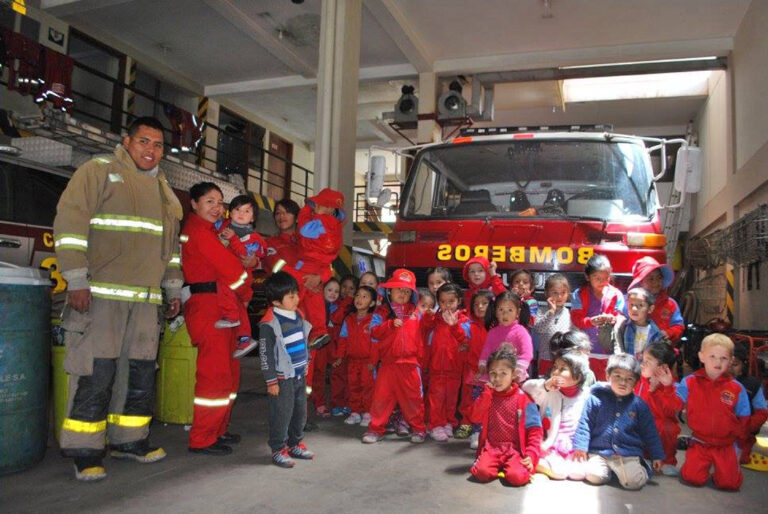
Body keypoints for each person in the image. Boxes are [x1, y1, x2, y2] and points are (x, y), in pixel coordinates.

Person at [54, 116, 183, 481]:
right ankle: (85, 449)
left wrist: (172, 288)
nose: (150, 150)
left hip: (145, 303)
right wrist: (77, 279)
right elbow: (70, 224)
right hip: (100, 296)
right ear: (126, 141)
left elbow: (171, 249)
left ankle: (130, 440)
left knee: (139, 373)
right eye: (144, 141)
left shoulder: (164, 189)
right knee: (96, 371)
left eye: (157, 145)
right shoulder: (98, 171)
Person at [181, 182, 255, 456]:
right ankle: (202, 438)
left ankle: (217, 430)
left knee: (228, 374)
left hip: (221, 307)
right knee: (214, 376)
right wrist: (246, 288)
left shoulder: (213, 232)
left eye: (220, 202)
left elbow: (238, 266)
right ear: (194, 204)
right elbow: (232, 270)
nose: (217, 207)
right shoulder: (198, 234)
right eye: (209, 201)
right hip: (210, 309)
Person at [572, 353, 664, 490]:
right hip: (599, 452)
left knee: (634, 483)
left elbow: (650, 432)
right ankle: (610, 472)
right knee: (594, 476)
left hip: (628, 454)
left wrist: (656, 455)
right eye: (618, 376)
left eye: (629, 379)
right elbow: (585, 424)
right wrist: (580, 446)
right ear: (608, 376)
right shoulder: (595, 399)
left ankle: (638, 467)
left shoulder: (639, 405)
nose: (623, 382)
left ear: (636, 382)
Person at [362, 268, 428, 444]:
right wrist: (389, 325)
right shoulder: (381, 313)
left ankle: (419, 429)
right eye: (398, 289)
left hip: (410, 365)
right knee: (381, 399)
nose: (402, 293)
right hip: (388, 365)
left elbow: (426, 333)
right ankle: (375, 429)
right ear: (389, 291)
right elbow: (374, 332)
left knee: (414, 399)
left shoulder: (416, 313)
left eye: (407, 291)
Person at [677, 334, 751, 490]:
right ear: (701, 356)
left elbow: (744, 416)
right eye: (712, 356)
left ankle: (726, 470)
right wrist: (664, 387)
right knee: (692, 478)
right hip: (700, 442)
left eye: (723, 358)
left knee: (730, 484)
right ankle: (696, 463)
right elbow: (673, 404)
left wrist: (741, 442)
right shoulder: (690, 382)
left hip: (726, 444)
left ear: (731, 360)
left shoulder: (736, 388)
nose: (717, 362)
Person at [259, 272, 314, 468]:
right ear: (276, 301)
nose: (297, 299)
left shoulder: (298, 315)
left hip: (299, 375)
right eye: (291, 296)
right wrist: (271, 380)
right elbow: (265, 356)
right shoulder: (269, 324)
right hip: (282, 379)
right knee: (281, 414)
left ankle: (295, 443)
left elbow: (302, 340)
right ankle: (278, 448)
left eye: (296, 294)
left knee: (300, 412)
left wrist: (306, 361)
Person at [467, 348, 543, 486]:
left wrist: (531, 454)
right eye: (493, 373)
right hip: (491, 448)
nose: (497, 378)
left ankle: (510, 467)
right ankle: (496, 465)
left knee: (517, 477)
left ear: (513, 374)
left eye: (503, 373)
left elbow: (535, 430)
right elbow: (474, 418)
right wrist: (486, 396)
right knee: (481, 473)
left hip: (515, 450)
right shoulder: (487, 396)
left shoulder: (524, 399)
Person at [522, 351, 591, 480]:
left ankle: (554, 464)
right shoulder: (548, 391)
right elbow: (526, 387)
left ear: (579, 377)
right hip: (550, 445)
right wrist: (545, 386)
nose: (556, 372)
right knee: (560, 473)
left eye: (563, 369)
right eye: (555, 367)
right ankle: (538, 462)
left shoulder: (586, 396)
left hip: (573, 446)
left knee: (578, 474)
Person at [214, 194, 266, 358]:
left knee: (224, 286)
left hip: (240, 277)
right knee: (240, 307)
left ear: (253, 217)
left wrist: (233, 240)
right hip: (231, 273)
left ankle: (230, 316)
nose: (241, 213)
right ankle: (244, 338)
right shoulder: (224, 226)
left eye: (247, 211)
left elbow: (246, 257)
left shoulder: (253, 238)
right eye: (237, 209)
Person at [295, 188, 346, 348]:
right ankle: (319, 330)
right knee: (315, 297)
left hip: (308, 264)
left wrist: (305, 210)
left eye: (318, 204)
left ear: (329, 209)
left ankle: (310, 328)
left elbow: (303, 229)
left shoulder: (320, 222)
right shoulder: (336, 227)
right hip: (320, 266)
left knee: (298, 295)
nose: (315, 207)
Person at [425, 283, 470, 442]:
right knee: (436, 399)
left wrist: (455, 325)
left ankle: (449, 422)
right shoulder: (435, 320)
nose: (447, 305)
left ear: (459, 301)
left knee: (451, 399)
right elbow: (425, 337)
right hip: (436, 368)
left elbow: (465, 343)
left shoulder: (464, 321)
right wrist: (428, 316)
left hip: (455, 368)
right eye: (442, 302)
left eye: (451, 301)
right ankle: (435, 424)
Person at [570, 254, 625, 380]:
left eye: (606, 278)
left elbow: (621, 316)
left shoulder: (616, 294)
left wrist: (613, 319)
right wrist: (591, 321)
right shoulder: (579, 294)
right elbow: (576, 319)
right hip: (585, 350)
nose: (602, 282)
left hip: (608, 349)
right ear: (587, 277)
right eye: (597, 278)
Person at [636, 342, 683, 476]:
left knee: (667, 427)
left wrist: (666, 387)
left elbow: (676, 407)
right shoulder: (639, 379)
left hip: (658, 426)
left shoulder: (670, 385)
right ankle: (640, 456)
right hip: (640, 422)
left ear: (662, 368)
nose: (642, 364)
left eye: (648, 362)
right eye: (643, 360)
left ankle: (667, 461)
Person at [334, 285, 378, 426]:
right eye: (358, 295)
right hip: (352, 361)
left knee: (368, 387)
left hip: (367, 362)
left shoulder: (374, 320)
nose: (359, 299)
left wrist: (373, 360)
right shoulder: (349, 319)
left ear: (372, 303)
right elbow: (343, 339)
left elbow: (376, 342)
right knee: (353, 387)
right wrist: (340, 356)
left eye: (365, 297)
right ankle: (355, 412)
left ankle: (367, 413)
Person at [456, 290, 494, 446]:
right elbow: (461, 339)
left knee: (491, 402)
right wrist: (454, 327)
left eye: (484, 303)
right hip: (474, 371)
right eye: (476, 304)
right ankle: (473, 429)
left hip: (493, 372)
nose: (480, 307)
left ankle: (490, 431)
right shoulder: (468, 325)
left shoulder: (497, 326)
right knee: (473, 400)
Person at [476, 292, 533, 382]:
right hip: (494, 376)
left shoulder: (521, 332)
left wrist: (518, 369)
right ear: (495, 312)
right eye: (501, 309)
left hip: (514, 377)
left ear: (517, 312)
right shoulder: (492, 332)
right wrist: (483, 364)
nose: (505, 314)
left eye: (510, 310)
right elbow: (486, 350)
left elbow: (527, 353)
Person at [627, 257, 684, 344]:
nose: (656, 282)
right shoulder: (629, 301)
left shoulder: (670, 304)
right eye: (651, 279)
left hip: (660, 351)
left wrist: (668, 333)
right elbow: (621, 320)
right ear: (640, 282)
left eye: (659, 278)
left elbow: (679, 326)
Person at [731, 342, 768, 464]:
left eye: (735, 364)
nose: (730, 368)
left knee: (740, 459)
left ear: (743, 364)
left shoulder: (753, 384)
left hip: (743, 433)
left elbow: (762, 412)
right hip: (717, 431)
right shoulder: (714, 379)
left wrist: (746, 427)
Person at [310, 278, 340, 418]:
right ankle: (313, 403)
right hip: (313, 343)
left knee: (320, 375)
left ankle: (319, 403)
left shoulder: (335, 309)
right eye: (329, 290)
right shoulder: (315, 305)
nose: (333, 293)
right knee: (311, 375)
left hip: (324, 345)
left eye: (336, 291)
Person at [533, 274, 573, 377]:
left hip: (564, 360)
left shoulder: (569, 314)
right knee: (544, 386)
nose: (559, 296)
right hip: (546, 359)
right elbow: (539, 329)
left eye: (563, 293)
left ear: (568, 294)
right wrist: (551, 312)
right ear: (546, 293)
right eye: (555, 293)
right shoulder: (542, 311)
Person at [612, 288, 666, 361]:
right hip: (626, 367)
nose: (634, 309)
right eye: (631, 304)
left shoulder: (655, 332)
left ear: (650, 309)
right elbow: (617, 346)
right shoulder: (622, 326)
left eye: (640, 305)